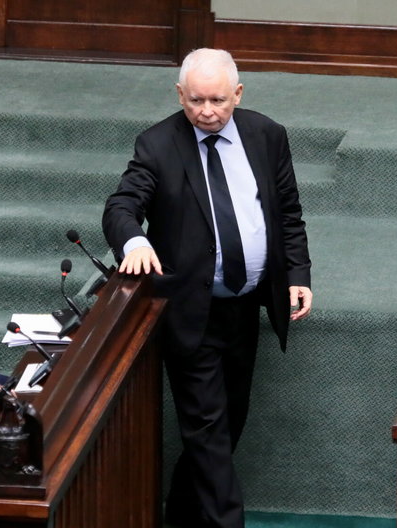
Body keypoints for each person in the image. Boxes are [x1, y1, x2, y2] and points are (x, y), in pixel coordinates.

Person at [102, 48, 312, 528]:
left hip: (246, 309)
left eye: (218, 100)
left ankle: (179, 515)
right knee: (208, 432)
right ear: (180, 95)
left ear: (238, 94)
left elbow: (288, 213)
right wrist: (133, 239)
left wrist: (296, 275)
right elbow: (121, 206)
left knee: (226, 424)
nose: (207, 111)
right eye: (195, 100)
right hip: (190, 311)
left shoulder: (266, 135)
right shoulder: (157, 145)